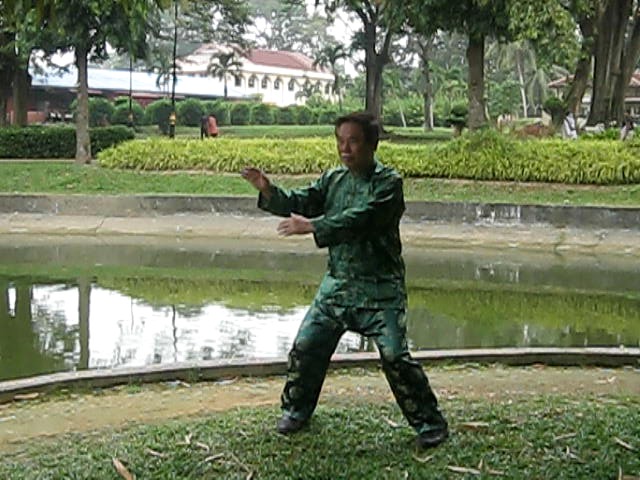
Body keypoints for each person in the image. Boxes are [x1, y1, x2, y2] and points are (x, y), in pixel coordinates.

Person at [241, 111, 449, 450]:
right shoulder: (334, 179)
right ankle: (296, 410)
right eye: (340, 141)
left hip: (381, 288)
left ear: (371, 144)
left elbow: (361, 219)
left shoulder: (389, 184)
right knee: (307, 346)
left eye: (353, 141)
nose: (345, 149)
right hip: (337, 286)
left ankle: (429, 421)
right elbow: (301, 200)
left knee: (395, 356)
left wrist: (314, 226)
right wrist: (268, 190)